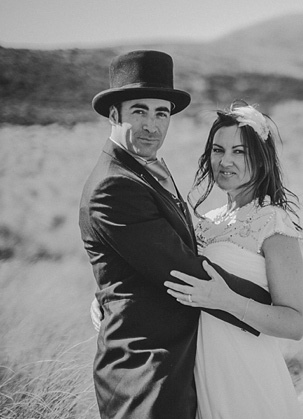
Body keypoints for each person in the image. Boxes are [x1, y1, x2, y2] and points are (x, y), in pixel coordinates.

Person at [79, 50, 271, 419]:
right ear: (114, 114)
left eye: (161, 113)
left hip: (182, 363)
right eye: (139, 111)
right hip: (147, 374)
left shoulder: (142, 171)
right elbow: (180, 267)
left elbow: (148, 255)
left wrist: (109, 286)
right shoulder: (114, 186)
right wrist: (269, 306)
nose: (152, 125)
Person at [163, 100, 303, 418]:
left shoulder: (273, 223)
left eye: (239, 151)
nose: (225, 161)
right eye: (217, 150)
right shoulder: (206, 222)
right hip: (202, 372)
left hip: (248, 374)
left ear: (261, 158)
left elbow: (295, 323)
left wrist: (227, 300)